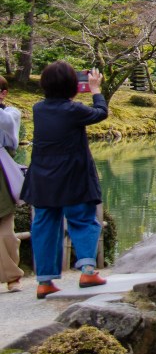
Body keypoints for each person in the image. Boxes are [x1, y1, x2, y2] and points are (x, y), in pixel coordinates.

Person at [22, 63, 108, 298]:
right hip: (73, 176)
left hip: (42, 178)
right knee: (82, 219)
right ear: (72, 86)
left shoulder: (38, 109)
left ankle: (44, 281)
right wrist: (96, 90)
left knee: (45, 226)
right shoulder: (74, 110)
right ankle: (88, 271)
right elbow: (101, 113)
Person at [0, 76, 23, 292]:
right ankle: (12, 276)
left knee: (6, 228)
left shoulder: (9, 115)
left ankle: (12, 276)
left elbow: (10, 137)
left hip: (1, 171)